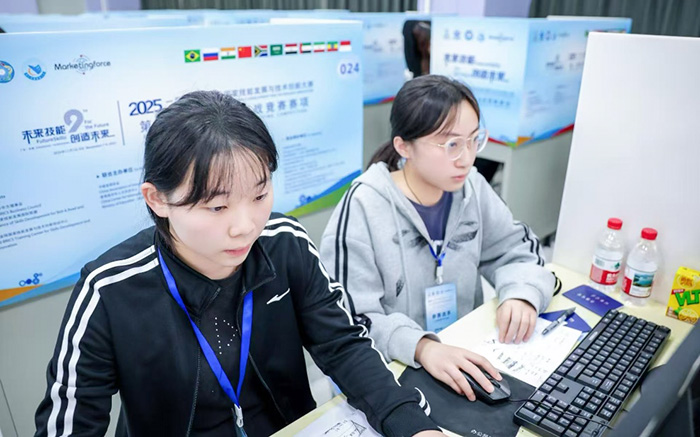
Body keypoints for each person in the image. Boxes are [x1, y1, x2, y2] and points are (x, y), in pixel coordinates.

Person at [34, 91, 445, 437]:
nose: (245, 227)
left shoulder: (284, 243)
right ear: (157, 199)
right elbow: (69, 423)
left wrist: (414, 426)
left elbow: (343, 346)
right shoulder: (109, 289)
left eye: (260, 195)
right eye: (217, 207)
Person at [320, 75, 557, 401]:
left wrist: (522, 294)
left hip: (465, 354)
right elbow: (348, 320)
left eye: (473, 140)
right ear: (404, 146)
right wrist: (421, 346)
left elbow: (515, 249)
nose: (467, 158)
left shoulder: (472, 187)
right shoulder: (363, 206)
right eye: (451, 144)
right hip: (393, 371)